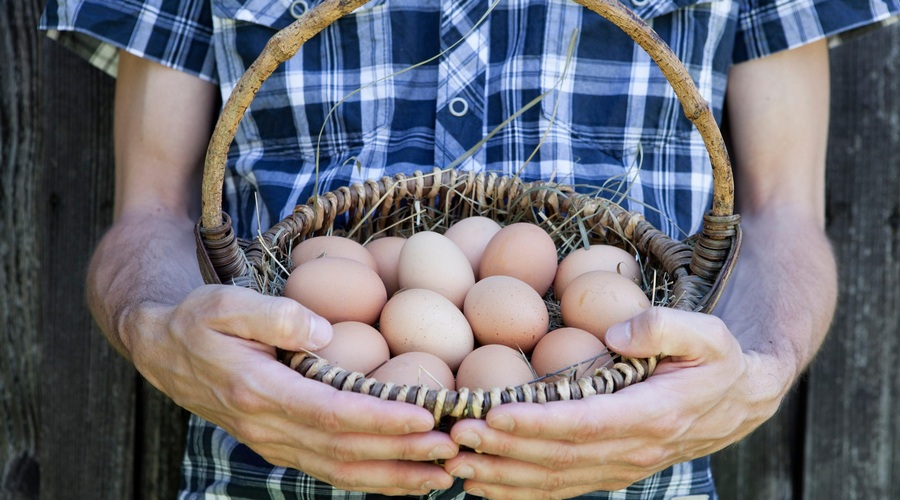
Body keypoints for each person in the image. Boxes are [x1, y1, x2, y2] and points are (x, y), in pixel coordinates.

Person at [40, 0, 898, 498]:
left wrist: (756, 376)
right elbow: (149, 218)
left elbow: (784, 217)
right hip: (269, 479)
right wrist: (157, 330)